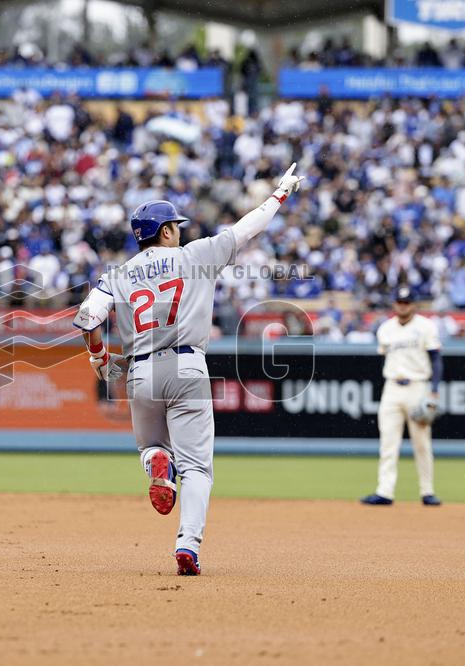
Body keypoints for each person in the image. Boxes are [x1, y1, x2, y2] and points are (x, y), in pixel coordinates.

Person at [73, 165, 304, 576]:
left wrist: (99, 359)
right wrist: (280, 194)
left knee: (150, 448)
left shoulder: (118, 274)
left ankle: (160, 461)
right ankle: (187, 545)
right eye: (174, 226)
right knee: (197, 467)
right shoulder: (195, 255)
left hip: (140, 372)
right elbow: (248, 228)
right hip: (186, 365)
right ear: (164, 231)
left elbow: (88, 318)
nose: (179, 230)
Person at [361, 286, 443, 507]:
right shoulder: (386, 329)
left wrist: (434, 389)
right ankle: (384, 492)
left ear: (414, 305)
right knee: (388, 442)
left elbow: (436, 359)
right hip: (392, 388)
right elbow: (384, 358)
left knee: (422, 443)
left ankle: (427, 491)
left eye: (406, 302)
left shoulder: (426, 327)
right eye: (399, 302)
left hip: (417, 386)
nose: (402, 305)